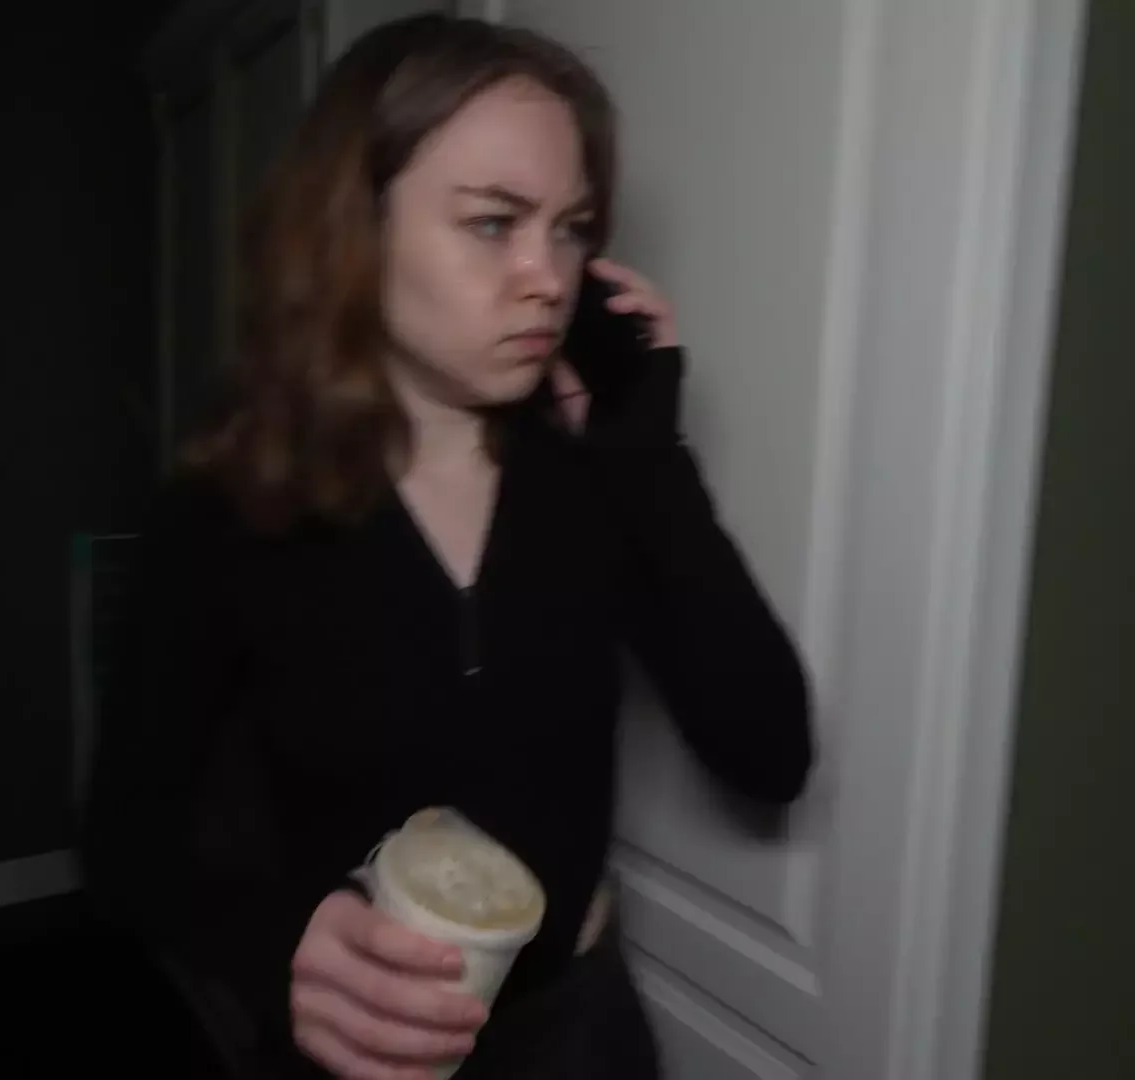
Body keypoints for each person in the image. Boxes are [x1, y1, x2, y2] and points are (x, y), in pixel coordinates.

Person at [79, 14, 813, 1080]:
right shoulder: (230, 507)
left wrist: (649, 458)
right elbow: (125, 844)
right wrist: (278, 947)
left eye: (571, 228)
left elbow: (769, 751)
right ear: (357, 228)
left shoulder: (594, 480)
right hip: (358, 1056)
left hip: (579, 1038)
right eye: (493, 223)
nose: (548, 276)